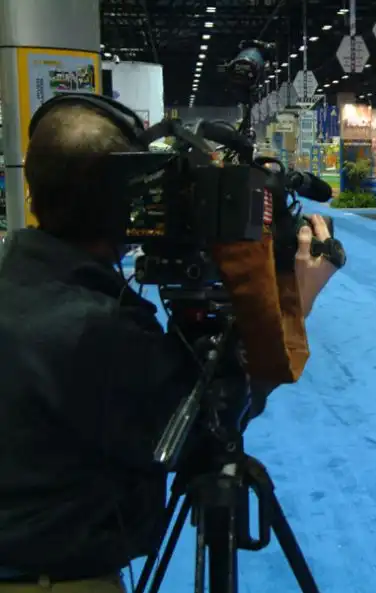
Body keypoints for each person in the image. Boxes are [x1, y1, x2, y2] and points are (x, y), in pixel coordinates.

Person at [0, 100, 339, 592]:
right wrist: (294, 303)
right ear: (123, 195)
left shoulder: (21, 284)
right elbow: (209, 426)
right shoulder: (95, 330)